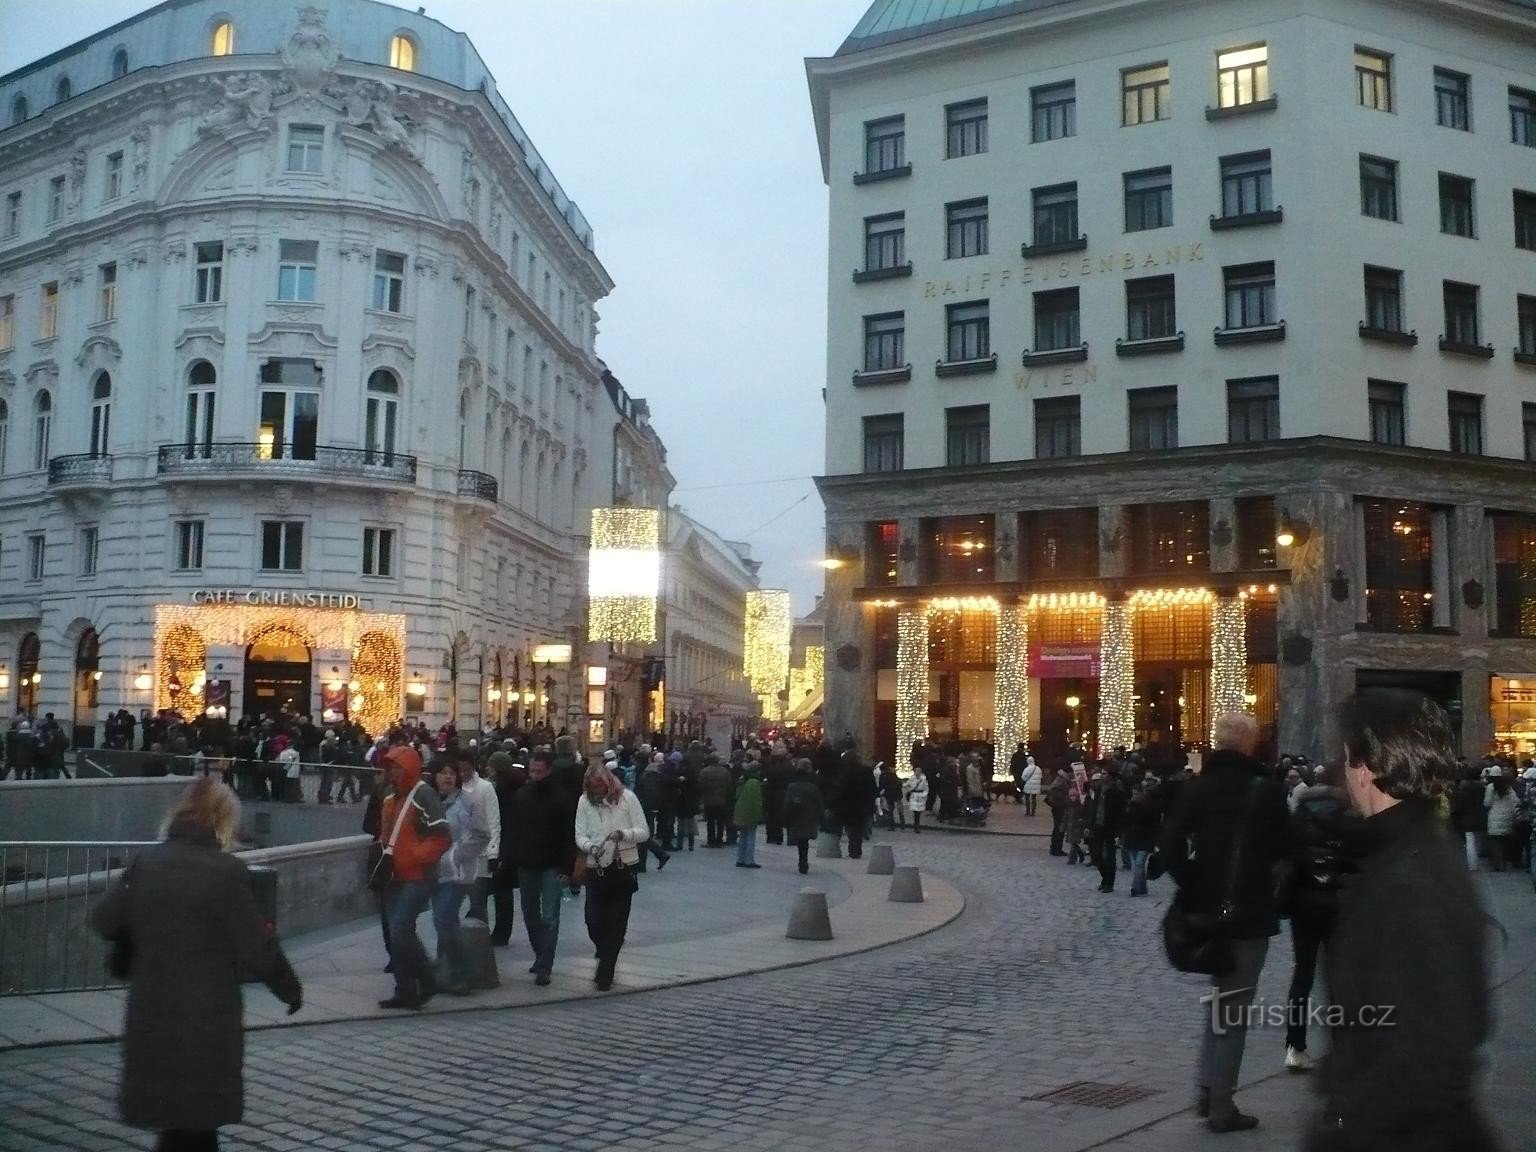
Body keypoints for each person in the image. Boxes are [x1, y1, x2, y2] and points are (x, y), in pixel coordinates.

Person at [1308, 691, 1497, 1152]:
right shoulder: (1408, 852)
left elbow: (1427, 1055)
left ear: (1365, 764)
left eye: (1346, 753)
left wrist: (1346, 1125)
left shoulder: (1408, 878)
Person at [91, 777, 302, 1152]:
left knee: (177, 1125)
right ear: (223, 820)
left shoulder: (147, 862)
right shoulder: (226, 872)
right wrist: (289, 988)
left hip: (152, 1009)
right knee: (197, 1124)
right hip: (206, 1016)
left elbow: (104, 920)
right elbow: (258, 947)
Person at [1159, 712, 1289, 1134]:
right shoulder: (1266, 793)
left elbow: (1170, 845)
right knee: (1232, 1012)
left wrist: (1194, 884)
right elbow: (1285, 850)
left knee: (1219, 1005)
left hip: (1206, 912)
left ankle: (1206, 1087)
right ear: (1250, 745)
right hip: (1247, 914)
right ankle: (1220, 1105)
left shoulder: (1198, 789)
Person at [1282, 768, 1357, 1073]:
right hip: (1340, 904)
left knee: (1302, 976)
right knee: (1340, 976)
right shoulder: (1349, 819)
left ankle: (1295, 1046)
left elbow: (1287, 863)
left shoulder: (1297, 820)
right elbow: (1359, 864)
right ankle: (1342, 1046)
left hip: (1304, 905)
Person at [374, 744, 451, 1009]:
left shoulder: (424, 795)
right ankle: (405, 988)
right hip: (394, 874)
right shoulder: (389, 795)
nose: (392, 772)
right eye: (390, 768)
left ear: (408, 769)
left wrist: (414, 856)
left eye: (396, 768)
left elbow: (442, 836)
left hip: (418, 874)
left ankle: (426, 979)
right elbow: (384, 831)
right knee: (396, 933)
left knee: (400, 929)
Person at [507, 746, 578, 986]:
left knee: (550, 916)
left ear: (548, 770)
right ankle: (541, 956)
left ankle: (545, 964)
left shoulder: (561, 797)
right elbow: (514, 828)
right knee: (529, 913)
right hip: (526, 862)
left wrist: (568, 869)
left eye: (538, 771)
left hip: (552, 864)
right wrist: (511, 856)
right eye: (531, 771)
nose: (533, 775)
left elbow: (569, 835)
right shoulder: (522, 795)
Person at [573, 764, 648, 991]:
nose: (597, 792)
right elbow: (579, 833)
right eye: (592, 787)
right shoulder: (584, 801)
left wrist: (623, 834)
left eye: (600, 787)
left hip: (622, 867)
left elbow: (643, 831)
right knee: (593, 920)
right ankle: (606, 948)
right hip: (596, 867)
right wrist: (590, 846)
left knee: (616, 921)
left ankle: (606, 969)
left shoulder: (628, 799)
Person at [431, 757, 491, 995]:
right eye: (443, 773)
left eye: (451, 773)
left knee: (444, 918)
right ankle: (443, 969)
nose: (447, 777)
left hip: (458, 873)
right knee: (443, 920)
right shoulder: (428, 801)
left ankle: (461, 972)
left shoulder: (466, 802)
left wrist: (457, 855)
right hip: (431, 871)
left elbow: (481, 834)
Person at [454, 748, 500, 923]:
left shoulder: (485, 788)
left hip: (479, 854)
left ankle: (479, 942)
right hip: (456, 854)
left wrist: (493, 851)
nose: (463, 773)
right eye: (460, 769)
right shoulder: (453, 789)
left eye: (467, 769)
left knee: (477, 903)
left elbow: (494, 820)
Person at [1085, 771, 1126, 892]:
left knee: (1110, 856)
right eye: (1102, 773)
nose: (1102, 775)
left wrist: (1119, 832)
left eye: (1105, 774)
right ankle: (1105, 877)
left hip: (1110, 828)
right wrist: (1089, 825)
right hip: (1098, 826)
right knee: (1096, 854)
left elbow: (1120, 814)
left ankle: (1109, 883)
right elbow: (1094, 808)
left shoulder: (1117, 793)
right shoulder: (1098, 790)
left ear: (1111, 777)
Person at [834, 751, 878, 859]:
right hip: (864, 805)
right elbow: (873, 788)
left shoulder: (845, 773)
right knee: (859, 827)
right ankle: (857, 848)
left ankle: (854, 850)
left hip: (849, 805)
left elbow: (841, 790)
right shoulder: (866, 771)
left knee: (852, 829)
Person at [1122, 777, 1161, 896]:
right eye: (1133, 793)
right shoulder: (1129, 805)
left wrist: (1156, 840)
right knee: (1137, 864)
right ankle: (1142, 887)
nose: (1135, 795)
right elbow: (1125, 822)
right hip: (1132, 838)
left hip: (1145, 838)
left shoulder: (1150, 805)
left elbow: (1155, 823)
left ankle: (1135, 888)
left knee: (1139, 864)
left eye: (1136, 793)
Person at [783, 758, 823, 874]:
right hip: (809, 816)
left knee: (800, 840)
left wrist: (785, 818)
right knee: (805, 841)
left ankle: (802, 861)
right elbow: (818, 803)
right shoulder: (813, 785)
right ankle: (803, 862)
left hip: (796, 815)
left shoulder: (792, 784)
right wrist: (821, 819)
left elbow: (787, 803)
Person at [1484, 771, 1519, 871]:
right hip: (1508, 816)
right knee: (1505, 842)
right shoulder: (1508, 788)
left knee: (1495, 843)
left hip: (1494, 817)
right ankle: (1503, 862)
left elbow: (1487, 803)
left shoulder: (1491, 787)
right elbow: (1516, 801)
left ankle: (1498, 865)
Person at [699, 754, 734, 848]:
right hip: (722, 800)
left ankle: (711, 840)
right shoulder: (724, 771)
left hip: (709, 800)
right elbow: (729, 785)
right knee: (720, 822)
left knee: (710, 822)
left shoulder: (705, 771)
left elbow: (701, 785)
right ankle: (719, 840)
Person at [733, 762, 764, 868]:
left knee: (742, 835)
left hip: (740, 809)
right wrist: (759, 813)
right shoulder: (755, 782)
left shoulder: (742, 780)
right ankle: (749, 860)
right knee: (750, 836)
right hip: (749, 811)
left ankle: (740, 858)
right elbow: (756, 800)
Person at [1045, 767, 1069, 855]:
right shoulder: (1061, 782)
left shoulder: (1058, 780)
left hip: (1057, 807)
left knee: (1057, 828)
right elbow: (1059, 794)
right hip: (1059, 807)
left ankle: (1055, 848)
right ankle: (1056, 849)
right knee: (1059, 828)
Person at [903, 766, 929, 834]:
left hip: (920, 797)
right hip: (914, 796)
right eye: (916, 771)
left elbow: (926, 789)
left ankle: (917, 825)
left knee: (918, 812)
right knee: (915, 811)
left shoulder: (923, 779)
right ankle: (916, 825)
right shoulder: (912, 778)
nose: (917, 773)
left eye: (918, 771)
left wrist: (924, 795)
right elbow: (906, 784)